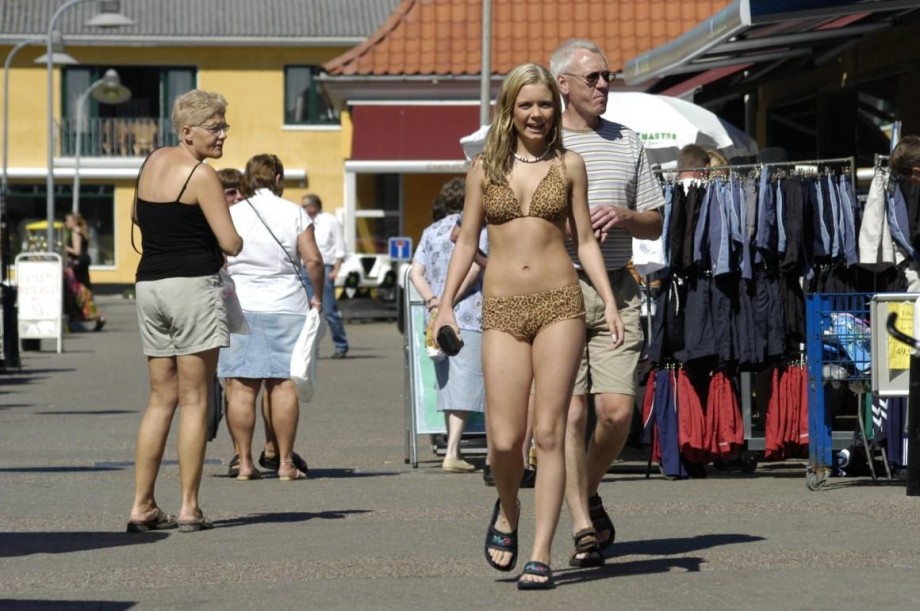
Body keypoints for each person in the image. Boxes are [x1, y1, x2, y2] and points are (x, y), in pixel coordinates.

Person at [434, 63, 623, 590]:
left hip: (560, 303)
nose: (537, 114)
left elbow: (584, 240)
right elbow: (468, 242)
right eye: (526, 105)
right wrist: (445, 304)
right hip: (501, 310)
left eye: (544, 104)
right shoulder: (482, 169)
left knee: (550, 430)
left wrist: (606, 301)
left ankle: (540, 553)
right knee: (503, 439)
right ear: (509, 110)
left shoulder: (570, 165)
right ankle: (508, 508)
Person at [549, 39, 665, 562]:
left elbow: (657, 218)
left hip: (618, 283)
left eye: (607, 76)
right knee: (571, 415)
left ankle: (585, 490)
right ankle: (581, 527)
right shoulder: (543, 143)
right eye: (592, 78)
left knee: (617, 412)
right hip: (560, 289)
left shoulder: (627, 141)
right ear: (563, 85)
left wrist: (622, 214)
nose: (603, 86)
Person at [128, 89, 243, 533]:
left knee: (160, 399)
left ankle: (141, 506)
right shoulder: (201, 175)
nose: (222, 136)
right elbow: (230, 241)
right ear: (187, 131)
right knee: (196, 399)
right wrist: (226, 241)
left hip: (150, 285)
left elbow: (139, 216)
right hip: (192, 286)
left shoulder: (151, 162)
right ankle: (189, 507)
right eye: (215, 128)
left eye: (224, 126)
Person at [218, 153, 324, 481]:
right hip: (286, 306)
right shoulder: (294, 213)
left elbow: (219, 258)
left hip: (241, 305)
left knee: (241, 388)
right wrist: (317, 297)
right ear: (278, 178)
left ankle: (245, 462)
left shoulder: (232, 213)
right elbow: (313, 261)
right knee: (283, 387)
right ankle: (286, 463)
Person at [409, 177, 486, 473]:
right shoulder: (477, 227)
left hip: (436, 317)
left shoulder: (431, 231)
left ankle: (452, 447)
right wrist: (450, 299)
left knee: (448, 380)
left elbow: (416, 272)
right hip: (468, 312)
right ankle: (453, 450)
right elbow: (477, 264)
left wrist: (433, 300)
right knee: (467, 380)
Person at [301, 194, 350, 358]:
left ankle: (340, 345)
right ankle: (311, 348)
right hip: (305, 267)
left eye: (305, 206)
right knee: (308, 311)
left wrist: (336, 269)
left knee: (329, 310)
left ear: (313, 207)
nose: (303, 209)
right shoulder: (303, 221)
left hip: (325, 267)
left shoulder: (331, 221)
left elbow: (340, 247)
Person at [63, 212, 105, 331]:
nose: (66, 223)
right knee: (83, 289)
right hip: (83, 262)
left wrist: (64, 247)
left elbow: (77, 251)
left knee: (77, 290)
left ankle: (94, 315)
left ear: (74, 221)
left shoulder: (75, 232)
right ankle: (87, 315)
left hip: (78, 263)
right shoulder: (82, 230)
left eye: (67, 220)